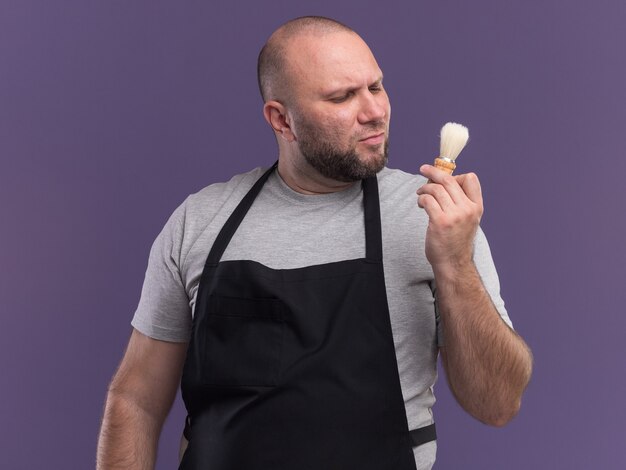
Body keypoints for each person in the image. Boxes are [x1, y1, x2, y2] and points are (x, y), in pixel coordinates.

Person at [97, 16, 532, 470]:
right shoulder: (200, 221)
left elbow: (497, 403)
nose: (374, 111)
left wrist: (455, 263)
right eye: (342, 96)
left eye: (376, 87)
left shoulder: (436, 218)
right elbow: (136, 398)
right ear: (282, 119)